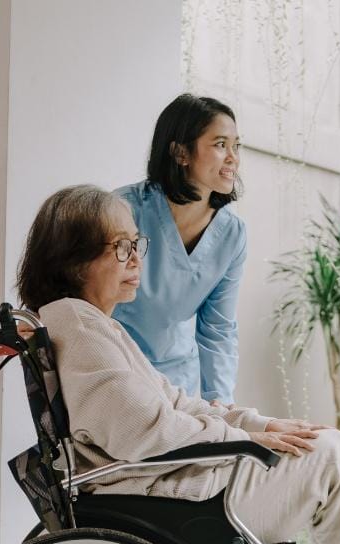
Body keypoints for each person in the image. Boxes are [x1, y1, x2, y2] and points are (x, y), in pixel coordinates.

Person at [15, 184, 340, 544]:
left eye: (138, 244)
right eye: (122, 248)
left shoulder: (87, 322)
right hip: (168, 499)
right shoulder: (80, 326)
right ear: (75, 261)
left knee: (328, 447)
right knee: (334, 457)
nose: (137, 260)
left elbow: (173, 402)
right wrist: (243, 441)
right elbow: (143, 429)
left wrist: (258, 424)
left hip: (168, 485)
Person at [112, 94, 246, 406]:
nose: (233, 157)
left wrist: (220, 403)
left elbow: (218, 329)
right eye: (220, 144)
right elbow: (82, 296)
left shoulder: (232, 234)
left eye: (236, 146)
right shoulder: (123, 210)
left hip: (179, 387)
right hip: (117, 374)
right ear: (180, 152)